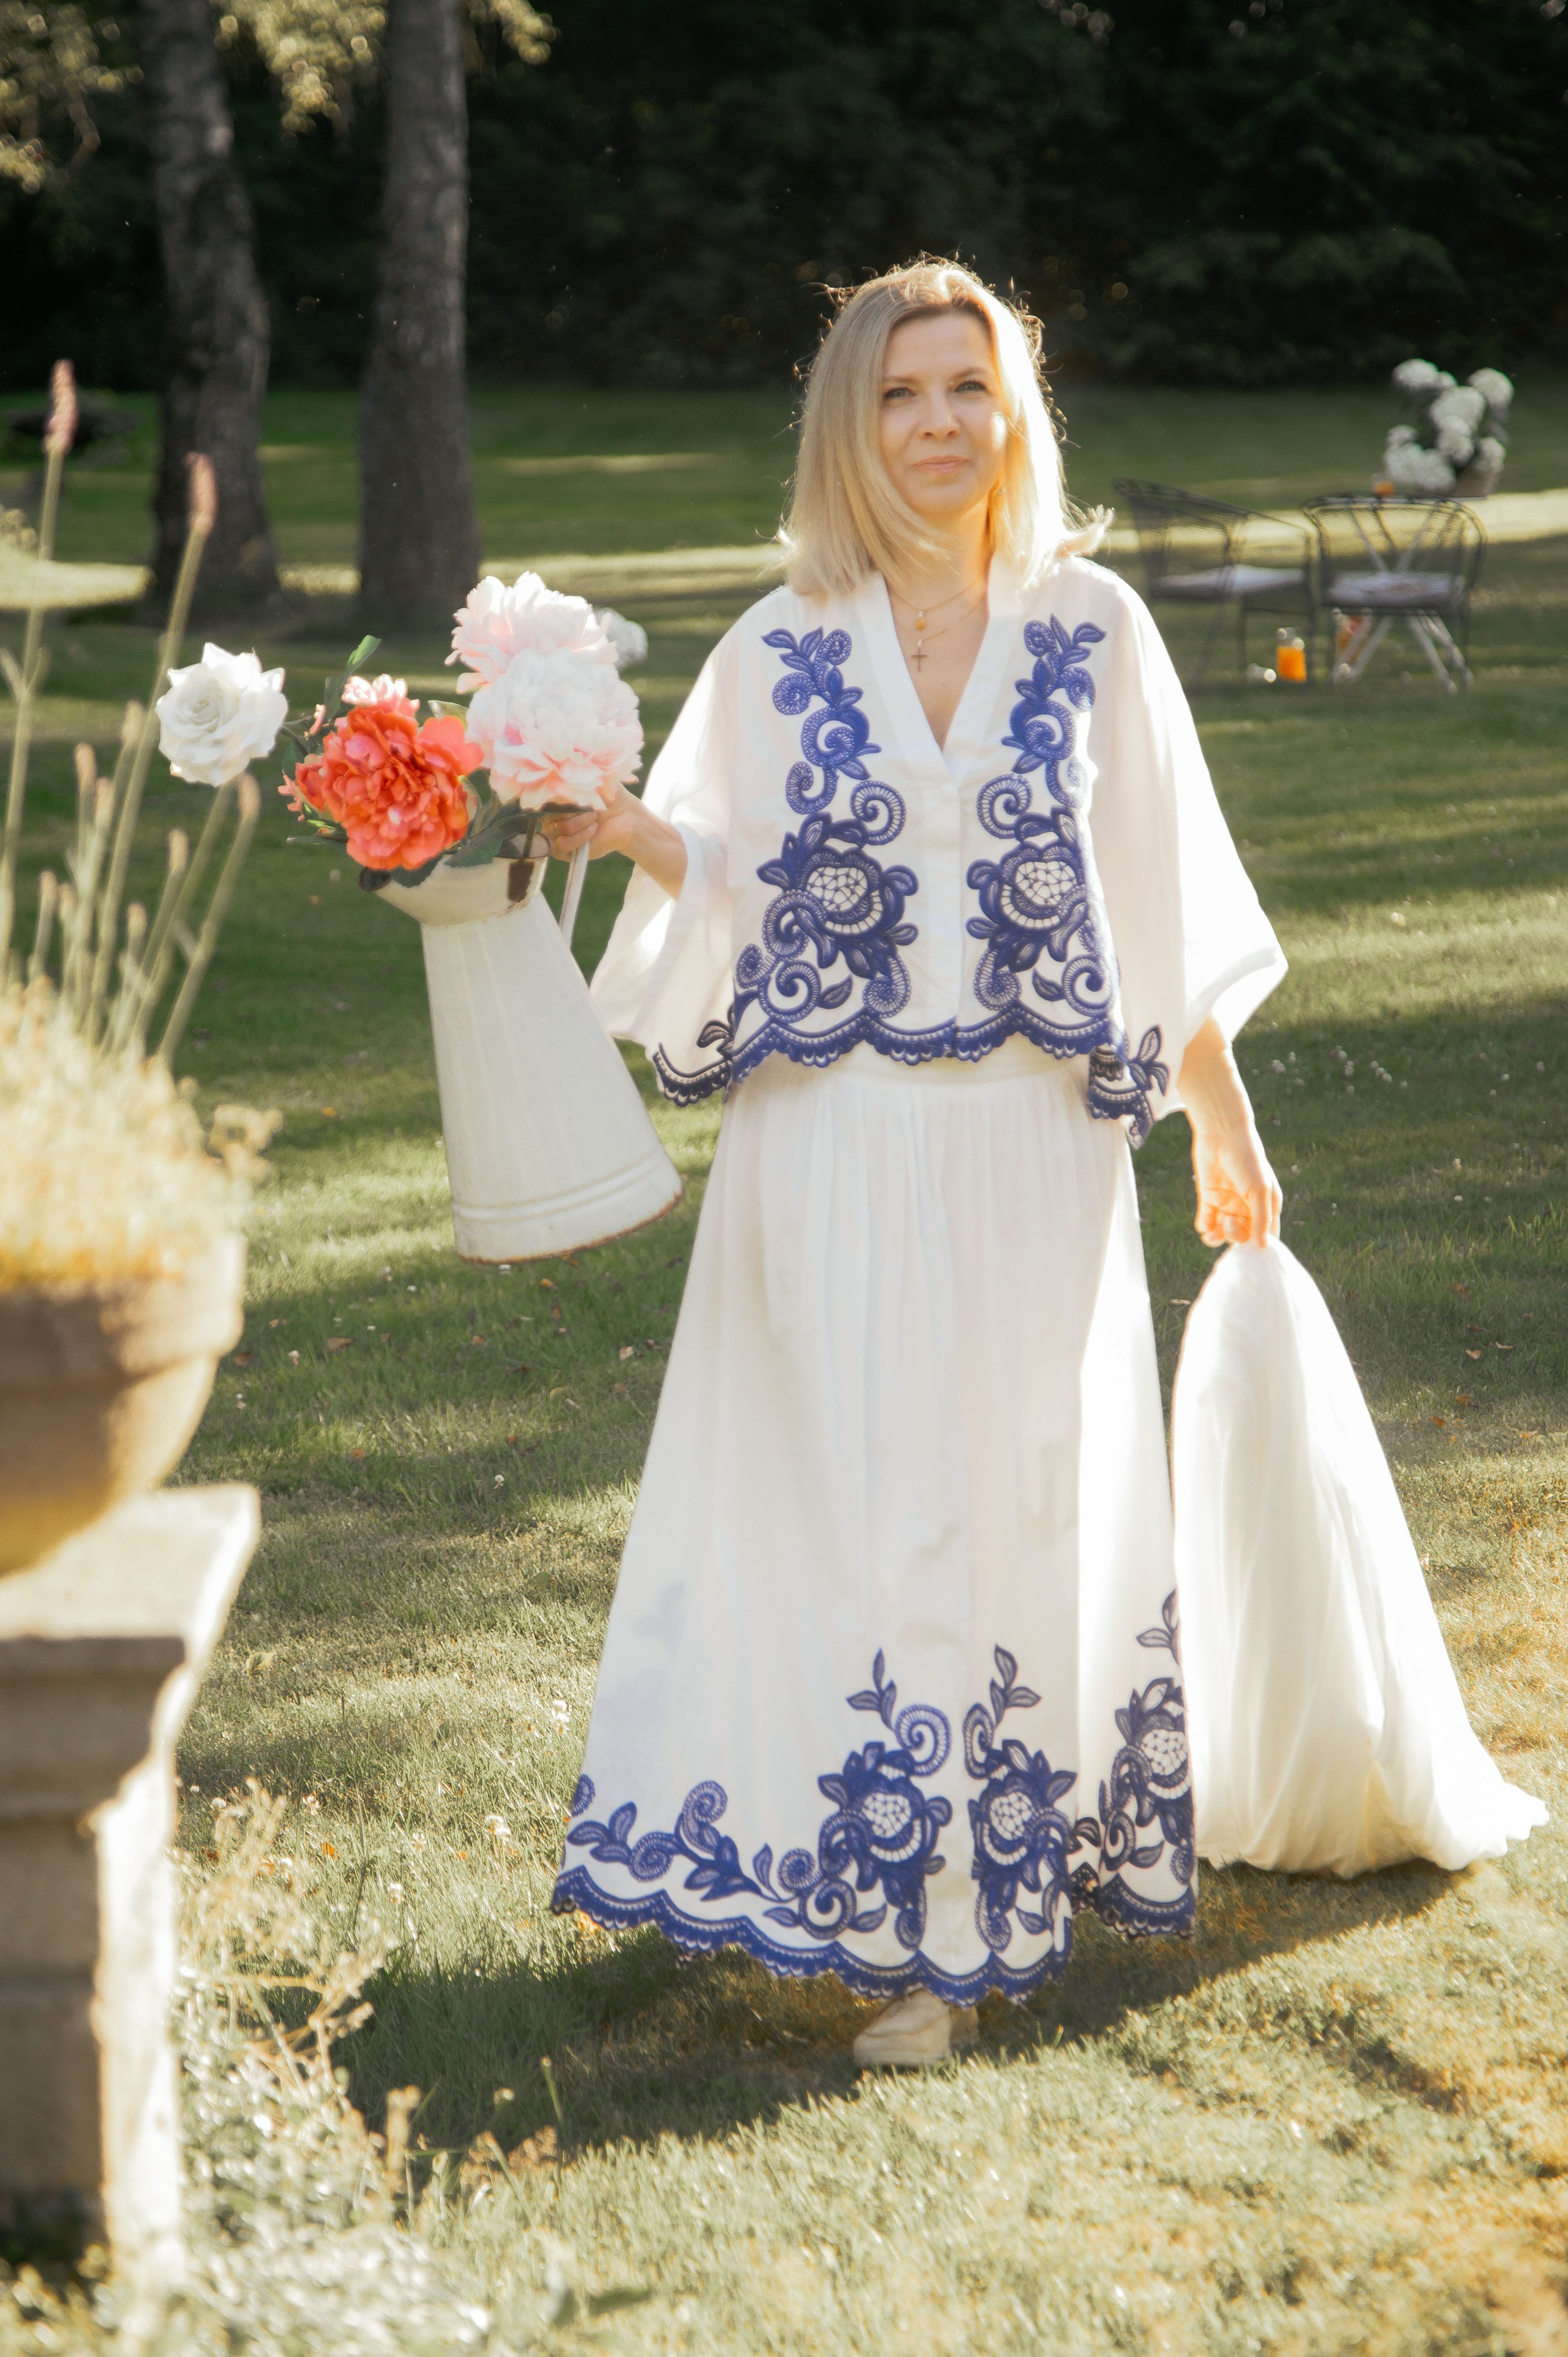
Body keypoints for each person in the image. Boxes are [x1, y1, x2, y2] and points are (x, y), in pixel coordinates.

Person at [542, 258, 1288, 2069]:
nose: (938, 422)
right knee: (855, 1507)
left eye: (970, 388)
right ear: (848, 423)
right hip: (833, 1142)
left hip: (1033, 1151)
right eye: (900, 392)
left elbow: (1156, 891)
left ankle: (971, 1908)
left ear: (1014, 415)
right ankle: (887, 1902)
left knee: (1015, 1497)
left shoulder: (1095, 624)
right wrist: (632, 832)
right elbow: (737, 881)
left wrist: (1222, 1113)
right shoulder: (776, 644)